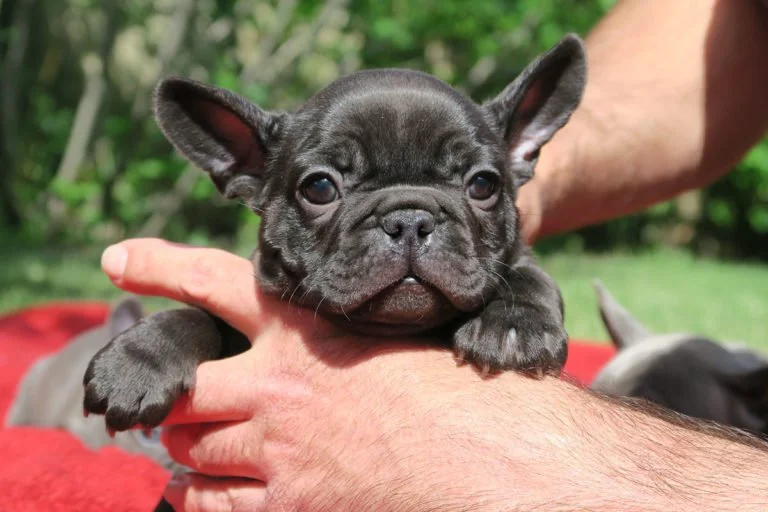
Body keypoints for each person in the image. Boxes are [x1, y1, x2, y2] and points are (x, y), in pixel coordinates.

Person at [100, 0, 768, 510]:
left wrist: (526, 298)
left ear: (521, 157)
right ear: (247, 168)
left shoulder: (507, 284)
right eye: (324, 188)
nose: (411, 227)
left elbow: (520, 272)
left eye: (477, 185)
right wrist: (174, 337)